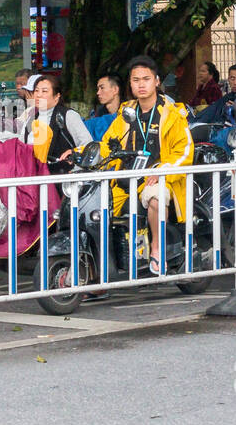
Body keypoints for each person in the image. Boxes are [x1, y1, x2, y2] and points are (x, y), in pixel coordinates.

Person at [78, 56, 193, 274]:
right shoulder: (127, 112)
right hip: (124, 179)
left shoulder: (172, 114)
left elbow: (185, 151)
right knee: (92, 209)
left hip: (158, 178)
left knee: (156, 197)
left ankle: (157, 250)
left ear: (157, 81)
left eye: (146, 79)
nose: (141, 84)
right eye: (136, 80)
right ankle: (100, 268)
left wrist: (162, 172)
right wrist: (81, 153)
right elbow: (108, 144)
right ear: (130, 84)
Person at [19, 74, 91, 163]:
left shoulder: (68, 115)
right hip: (34, 173)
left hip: (63, 173)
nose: (38, 95)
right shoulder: (30, 119)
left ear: (57, 96)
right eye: (36, 91)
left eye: (44, 91)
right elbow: (20, 146)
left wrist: (74, 152)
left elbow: (88, 144)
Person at [85, 74, 123, 140]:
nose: (98, 93)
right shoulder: (98, 114)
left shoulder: (128, 113)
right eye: (98, 89)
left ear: (115, 90)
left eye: (102, 88)